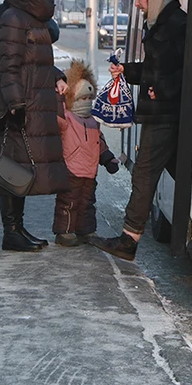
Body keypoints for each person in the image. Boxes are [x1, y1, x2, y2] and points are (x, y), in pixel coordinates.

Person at [90, 0, 186, 261]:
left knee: (143, 173)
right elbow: (155, 70)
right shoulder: (160, 22)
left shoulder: (177, 25)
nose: (137, 2)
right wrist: (127, 70)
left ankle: (128, 240)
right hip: (159, 112)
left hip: (165, 114)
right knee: (166, 171)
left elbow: (189, 70)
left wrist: (164, 90)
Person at [0, 0, 69, 253]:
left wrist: (57, 76)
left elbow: (35, 61)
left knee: (19, 168)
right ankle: (11, 232)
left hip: (29, 102)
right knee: (11, 166)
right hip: (18, 105)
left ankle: (17, 228)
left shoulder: (30, 18)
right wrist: (15, 104)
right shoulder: (13, 19)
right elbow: (7, 67)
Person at [52, 59, 119, 247]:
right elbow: (55, 119)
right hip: (71, 169)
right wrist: (59, 97)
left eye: (89, 99)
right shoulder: (66, 118)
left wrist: (108, 159)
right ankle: (64, 232)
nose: (87, 103)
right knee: (68, 202)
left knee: (87, 203)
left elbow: (100, 143)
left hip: (89, 171)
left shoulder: (93, 121)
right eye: (82, 99)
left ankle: (86, 230)